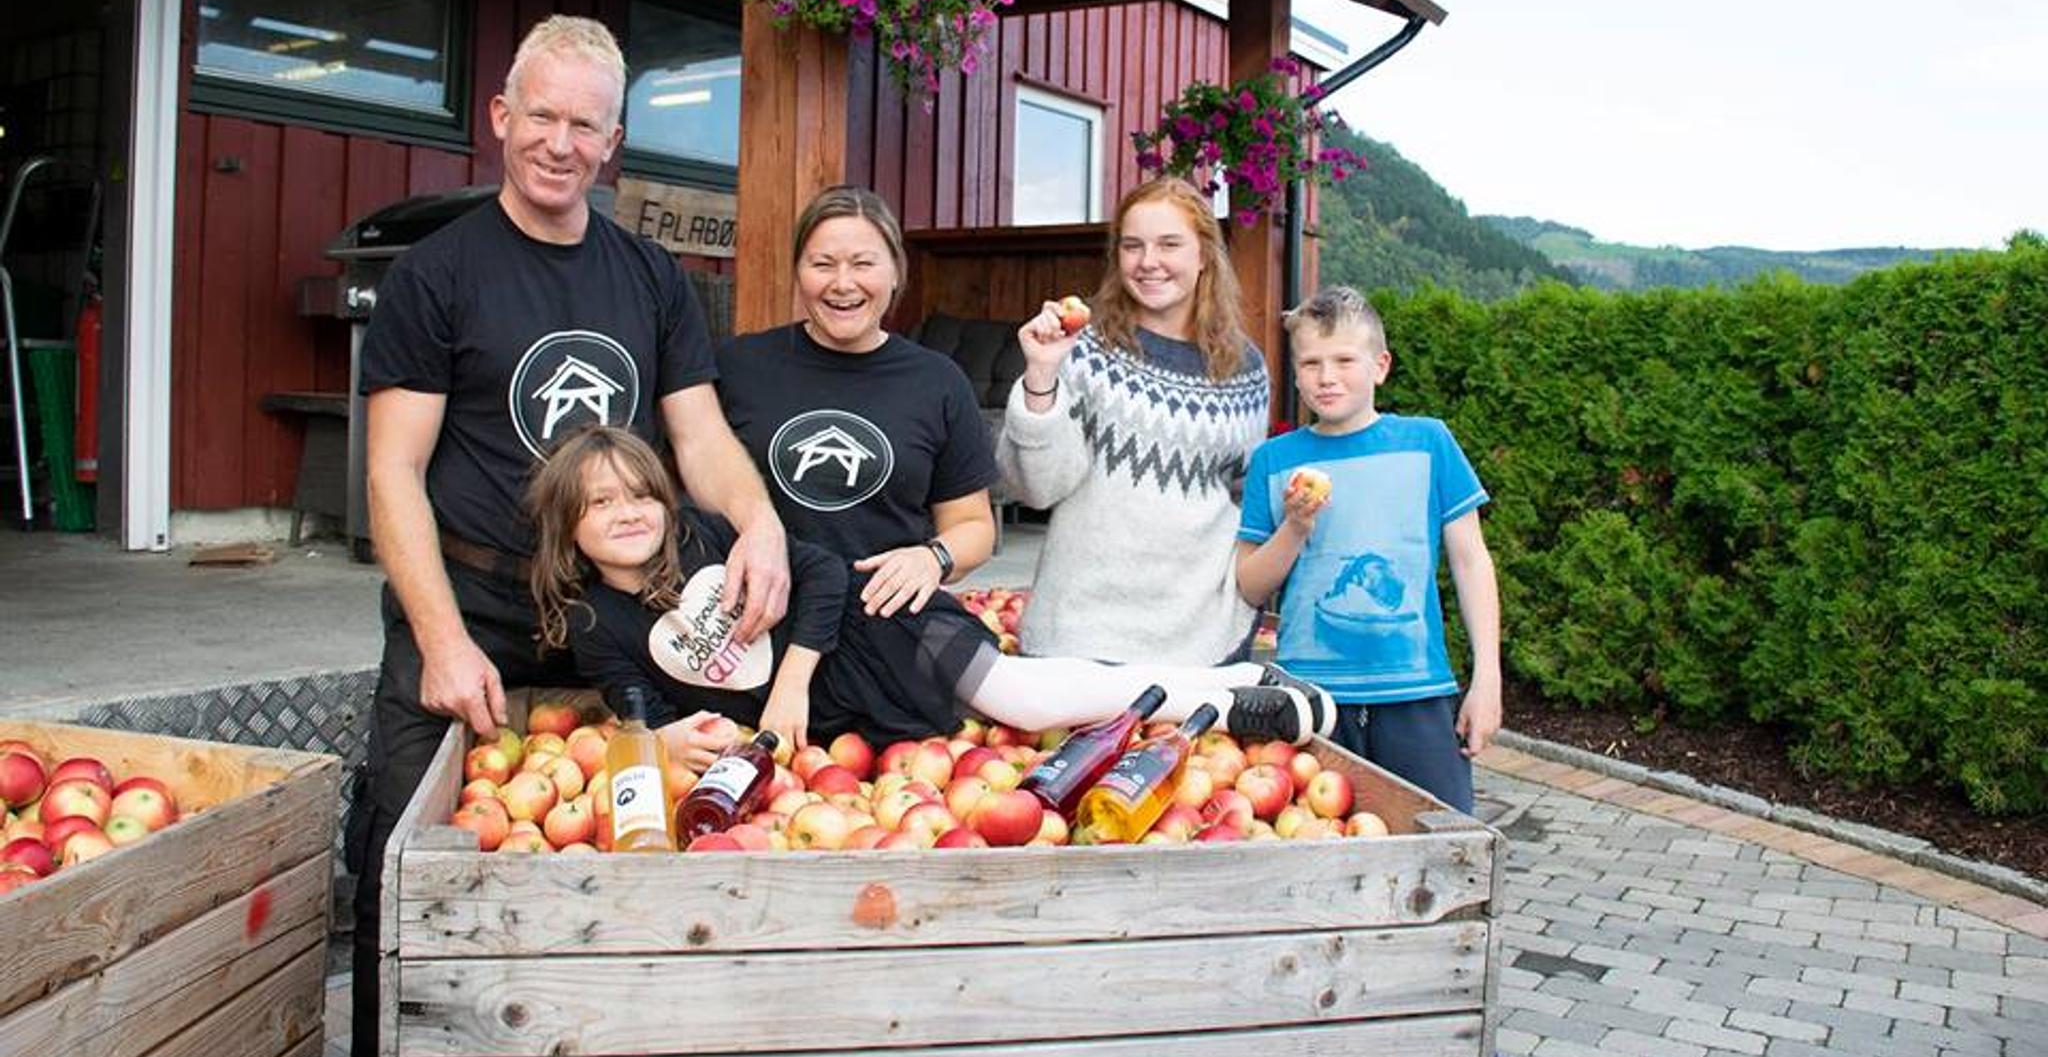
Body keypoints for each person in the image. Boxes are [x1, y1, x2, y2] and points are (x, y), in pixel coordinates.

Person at [349, 16, 788, 1057]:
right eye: (539, 115)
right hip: (474, 604)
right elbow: (391, 472)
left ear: (612, 143)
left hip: (618, 610)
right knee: (404, 860)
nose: (559, 141)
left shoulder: (649, 277)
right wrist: (443, 642)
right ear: (501, 118)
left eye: (583, 124)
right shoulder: (437, 273)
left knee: (638, 837)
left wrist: (764, 522)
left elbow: (700, 439)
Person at [528, 427, 1333, 761]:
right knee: (1032, 698)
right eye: (599, 503)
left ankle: (1232, 704)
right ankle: (1233, 680)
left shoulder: (707, 534)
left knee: (1020, 695)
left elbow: (817, 572)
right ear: (569, 527)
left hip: (874, 624)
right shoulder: (599, 623)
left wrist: (795, 679)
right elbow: (636, 703)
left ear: (665, 500)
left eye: (637, 493)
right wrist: (661, 742)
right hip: (850, 707)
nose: (625, 512)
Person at [1234, 285, 1502, 814]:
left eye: (1343, 360)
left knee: (1440, 842)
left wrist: (1487, 678)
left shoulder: (1429, 444)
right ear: (1294, 372)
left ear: (1380, 366)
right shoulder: (1273, 460)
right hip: (1312, 699)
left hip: (1417, 691)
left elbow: (1472, 561)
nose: (1326, 376)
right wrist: (1294, 527)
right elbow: (1249, 584)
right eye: (1310, 362)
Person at [997, 176, 1275, 667]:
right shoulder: (1079, 348)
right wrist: (1041, 375)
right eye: (1132, 246)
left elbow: (1244, 499)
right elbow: (1036, 490)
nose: (1148, 262)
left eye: (1169, 244)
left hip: (1199, 642)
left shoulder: (1245, 370)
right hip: (1080, 635)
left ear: (1205, 254)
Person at [715, 185, 995, 617]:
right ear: (798, 272)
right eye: (822, 264)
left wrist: (930, 558)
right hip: (754, 616)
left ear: (897, 271)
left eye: (863, 264)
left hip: (882, 621)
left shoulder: (938, 381)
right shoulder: (738, 365)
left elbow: (974, 526)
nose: (842, 284)